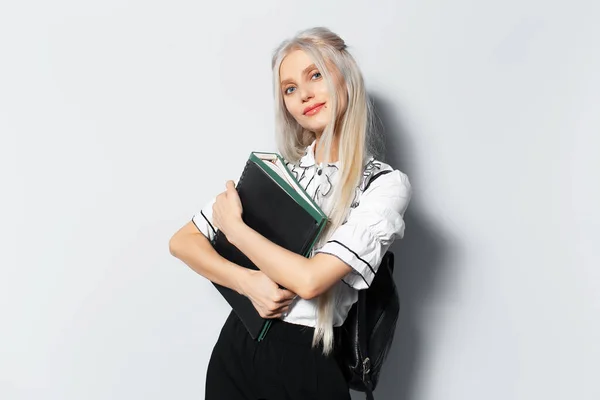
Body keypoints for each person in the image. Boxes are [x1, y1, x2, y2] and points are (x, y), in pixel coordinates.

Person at [169, 26, 412, 400]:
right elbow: (182, 242)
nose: (305, 94)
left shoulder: (382, 184)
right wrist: (246, 282)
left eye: (315, 74)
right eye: (289, 88)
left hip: (308, 357)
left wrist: (235, 230)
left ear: (345, 77)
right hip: (238, 347)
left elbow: (311, 281)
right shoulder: (276, 174)